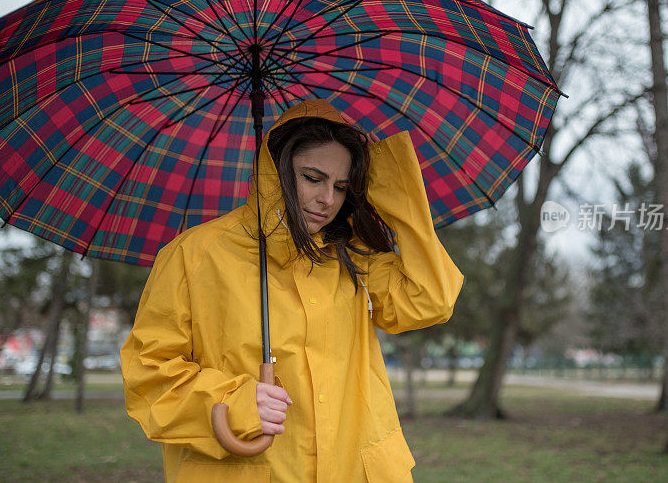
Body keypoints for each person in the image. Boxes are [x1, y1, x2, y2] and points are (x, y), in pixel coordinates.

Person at [121, 99, 464, 482]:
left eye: (341, 186)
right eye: (313, 178)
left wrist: (394, 188)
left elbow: (430, 300)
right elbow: (149, 375)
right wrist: (231, 403)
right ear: (277, 169)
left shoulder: (352, 256)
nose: (328, 200)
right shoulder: (194, 256)